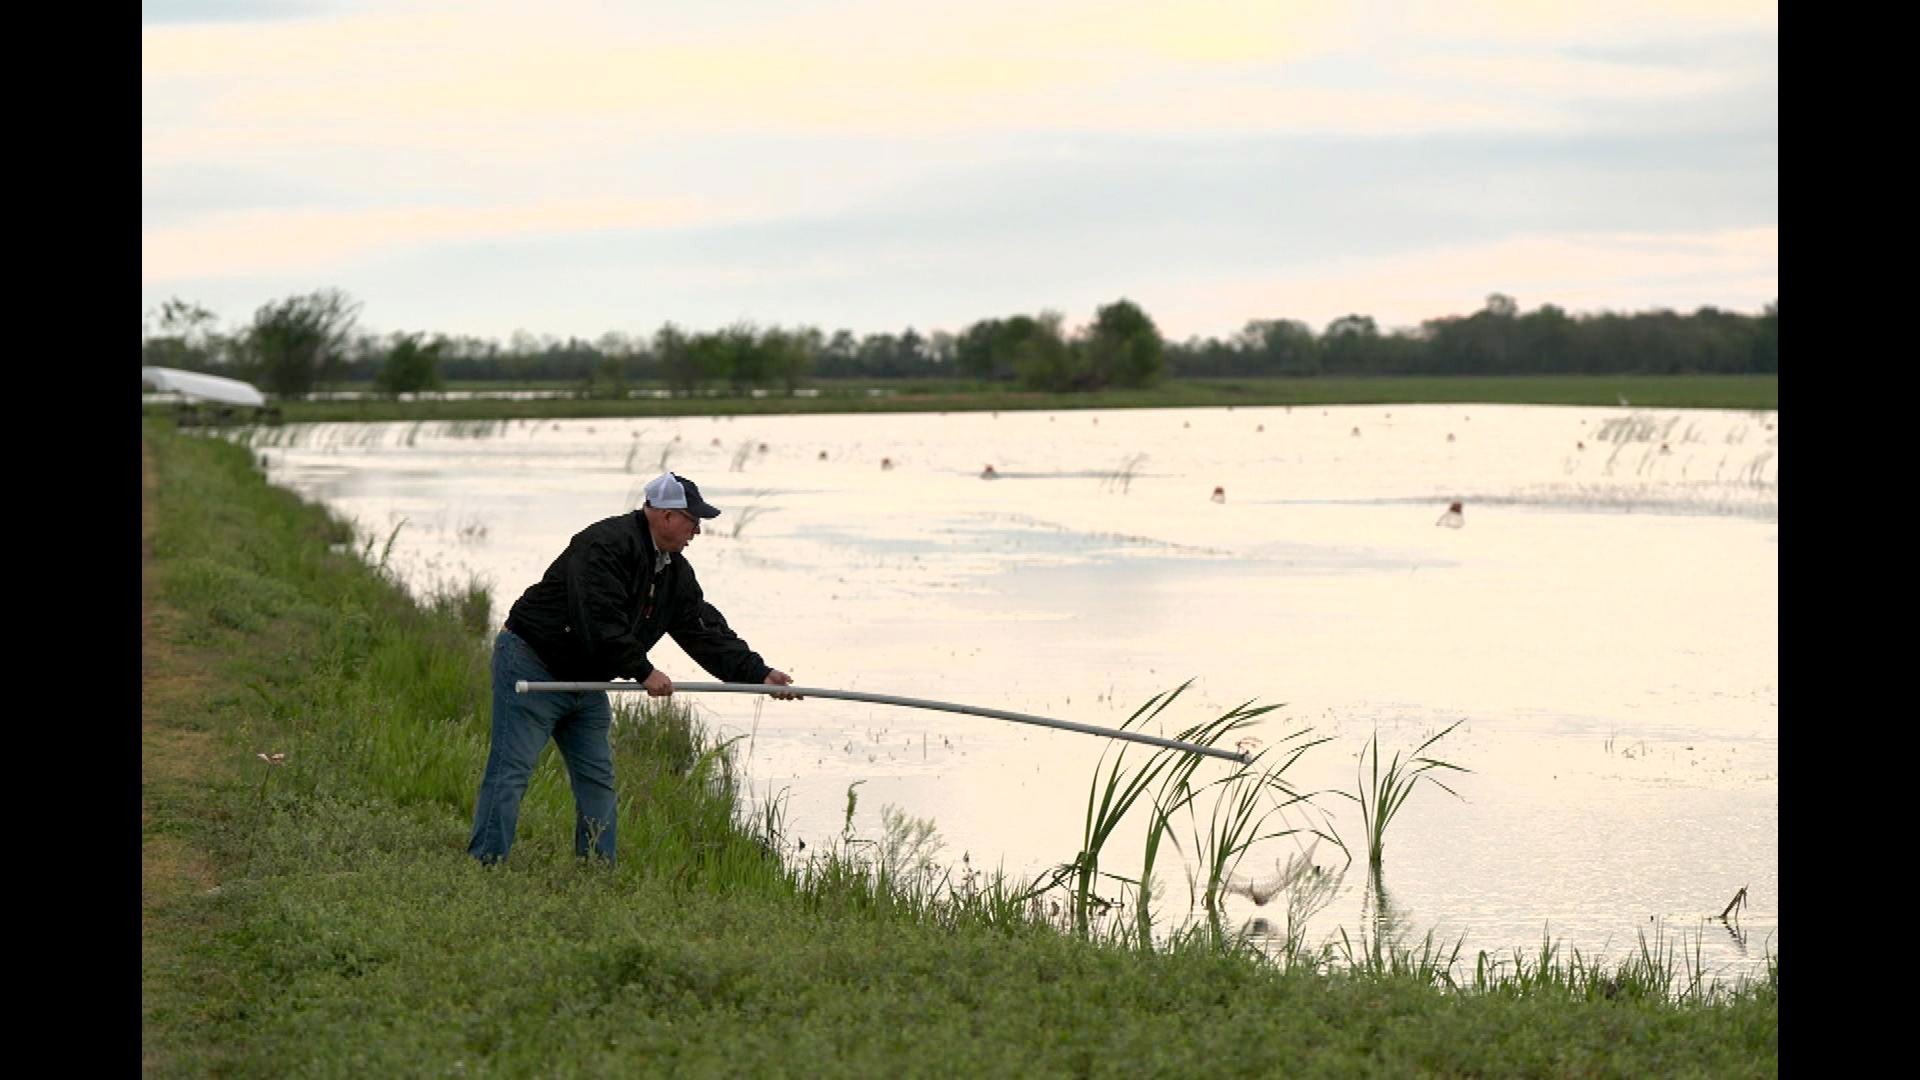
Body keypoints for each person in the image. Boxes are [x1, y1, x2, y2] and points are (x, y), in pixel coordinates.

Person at [468, 471, 797, 865]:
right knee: (511, 771)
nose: (697, 531)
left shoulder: (674, 571)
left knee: (598, 782)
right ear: (667, 516)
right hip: (532, 664)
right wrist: (643, 670)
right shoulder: (604, 544)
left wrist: (759, 674)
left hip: (586, 680)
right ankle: (485, 866)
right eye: (694, 521)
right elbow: (598, 618)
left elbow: (703, 630)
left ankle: (596, 874)